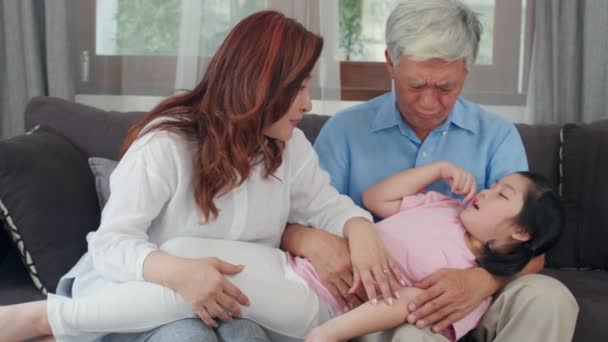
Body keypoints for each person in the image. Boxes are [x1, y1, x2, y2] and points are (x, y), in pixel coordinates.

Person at [0, 10, 403, 342]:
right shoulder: (168, 144)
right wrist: (179, 273)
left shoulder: (289, 146)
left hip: (238, 300)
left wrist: (359, 228)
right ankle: (47, 319)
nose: (308, 102)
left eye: (308, 85)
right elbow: (109, 244)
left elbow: (325, 205)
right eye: (297, 88)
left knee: (245, 334)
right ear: (258, 86)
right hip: (140, 292)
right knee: (187, 335)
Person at [0, 162, 564, 342]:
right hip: (292, 262)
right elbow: (373, 199)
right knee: (180, 250)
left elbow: (404, 308)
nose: (488, 190)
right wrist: (438, 171)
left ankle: (49, 319)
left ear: (517, 233)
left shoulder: (465, 278)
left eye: (502, 196)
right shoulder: (439, 205)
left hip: (315, 304)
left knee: (194, 294)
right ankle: (86, 304)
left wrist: (325, 337)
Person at [281, 1, 579, 341]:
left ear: (466, 71)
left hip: (477, 299)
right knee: (411, 334)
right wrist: (310, 240)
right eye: (416, 85)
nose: (428, 103)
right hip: (384, 302)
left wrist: (480, 282)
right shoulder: (346, 131)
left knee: (551, 298)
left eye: (445, 88)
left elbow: (530, 248)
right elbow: (289, 219)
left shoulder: (497, 136)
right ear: (390, 64)